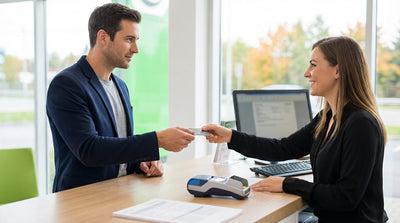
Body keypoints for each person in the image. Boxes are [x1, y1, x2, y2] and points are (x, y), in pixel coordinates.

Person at [203, 36, 388, 222]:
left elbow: (345, 197)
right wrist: (230, 136)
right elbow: (284, 148)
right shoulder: (327, 117)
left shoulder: (361, 124)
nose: (307, 73)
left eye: (313, 65)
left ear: (337, 71)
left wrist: (287, 184)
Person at [46, 3, 195, 192]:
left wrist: (139, 162)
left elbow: (117, 147)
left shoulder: (121, 86)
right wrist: (156, 140)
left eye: (136, 40)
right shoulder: (67, 84)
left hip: (119, 193)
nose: (136, 49)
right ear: (103, 37)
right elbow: (89, 150)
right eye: (129, 39)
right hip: (81, 199)